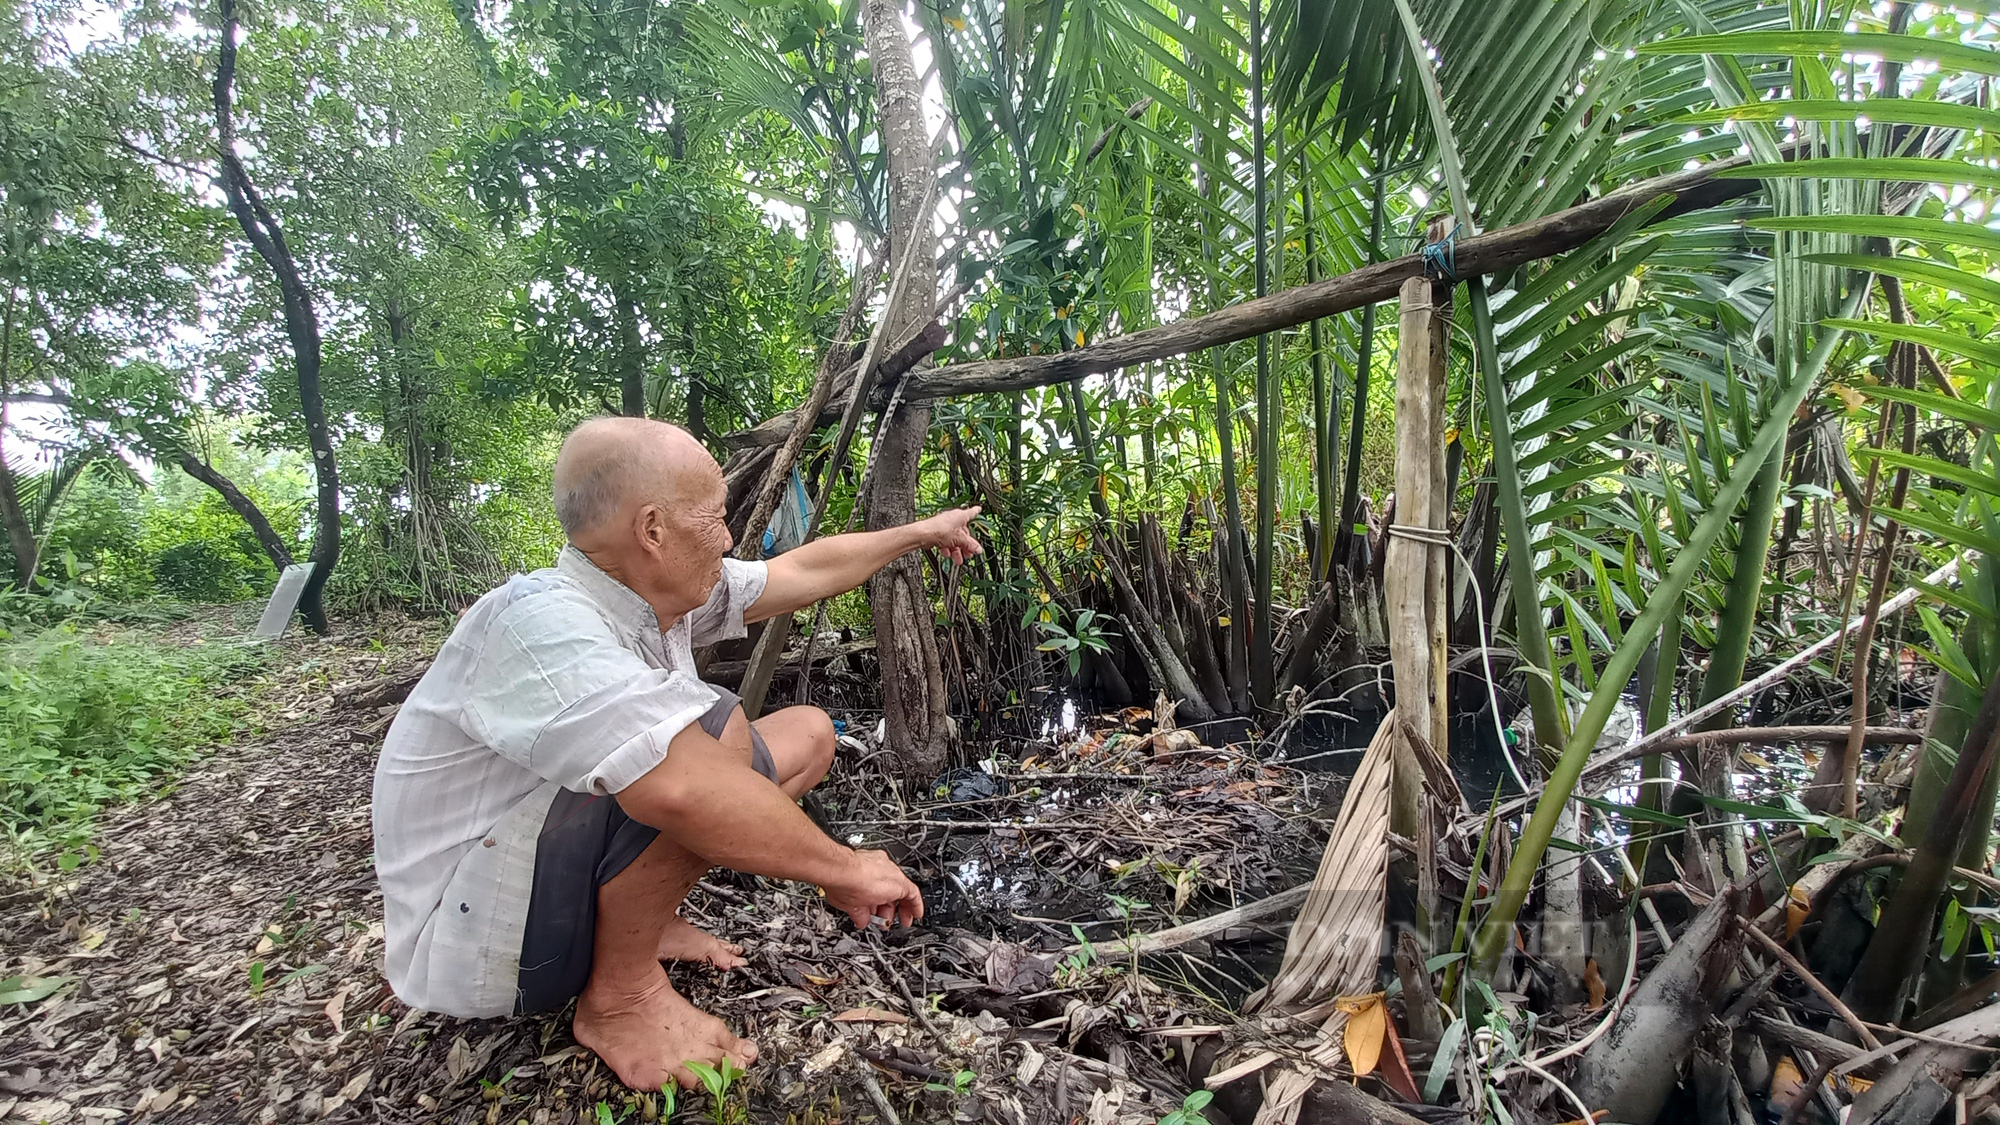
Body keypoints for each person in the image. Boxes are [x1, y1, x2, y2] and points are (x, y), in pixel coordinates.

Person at [370, 416, 982, 1090]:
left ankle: (638, 922)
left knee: (808, 733)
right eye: (716, 517)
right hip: (480, 939)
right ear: (653, 530)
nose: (727, 536)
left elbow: (804, 568)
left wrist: (920, 532)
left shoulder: (651, 594)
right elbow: (683, 788)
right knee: (712, 733)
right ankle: (620, 997)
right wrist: (845, 868)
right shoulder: (542, 622)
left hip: (538, 877)